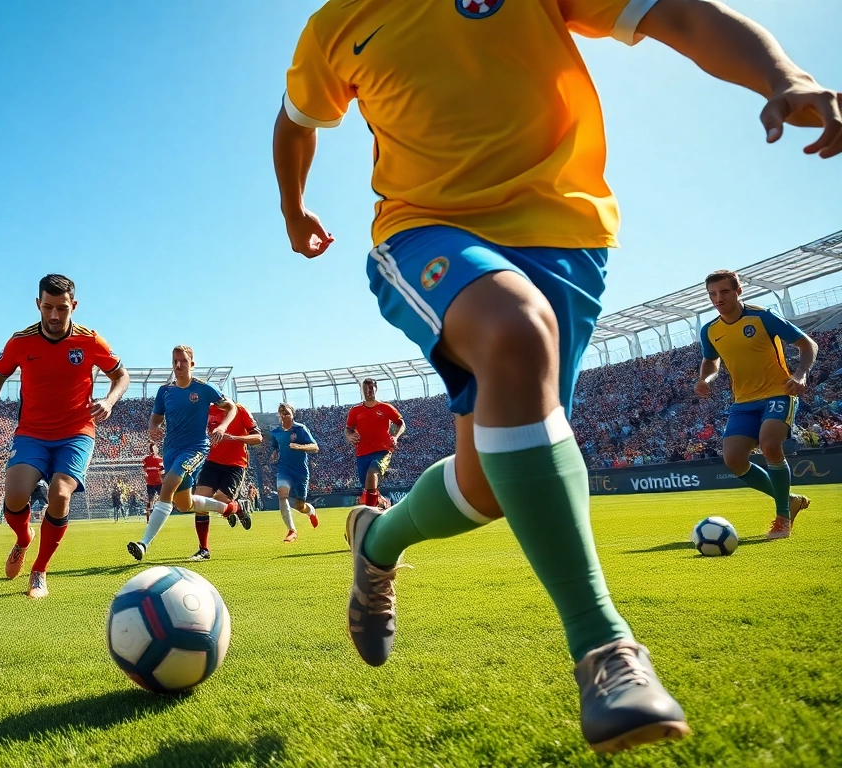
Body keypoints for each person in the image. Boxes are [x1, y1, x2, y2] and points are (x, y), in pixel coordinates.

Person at [274, 0, 838, 752]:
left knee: (485, 489)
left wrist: (781, 73)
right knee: (517, 329)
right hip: (425, 231)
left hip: (566, 244)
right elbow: (296, 120)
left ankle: (376, 541)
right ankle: (605, 649)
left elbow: (675, 14)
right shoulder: (338, 23)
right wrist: (294, 209)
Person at [0, 274, 129, 598]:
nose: (54, 315)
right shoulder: (20, 342)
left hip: (76, 432)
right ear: (38, 304)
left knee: (60, 493)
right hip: (32, 432)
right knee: (15, 496)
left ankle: (39, 569)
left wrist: (110, 401)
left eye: (62, 308)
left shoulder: (90, 341)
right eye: (48, 307)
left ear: (74, 306)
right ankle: (23, 539)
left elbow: (121, 375)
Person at [695, 270, 815, 539]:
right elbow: (711, 361)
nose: (718, 298)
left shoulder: (763, 317)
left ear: (738, 291)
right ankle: (790, 500)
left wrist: (800, 374)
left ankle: (783, 519)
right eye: (712, 294)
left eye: (724, 291)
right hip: (743, 401)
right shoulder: (710, 330)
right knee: (734, 459)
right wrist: (706, 379)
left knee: (770, 445)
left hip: (778, 393)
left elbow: (808, 345)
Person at [128, 345, 239, 562]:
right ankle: (229, 508)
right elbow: (155, 418)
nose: (178, 365)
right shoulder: (165, 391)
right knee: (183, 504)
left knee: (168, 485)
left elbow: (231, 407)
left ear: (192, 364)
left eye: (183, 361)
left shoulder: (203, 389)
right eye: (175, 362)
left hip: (195, 448)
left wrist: (222, 426)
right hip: (171, 450)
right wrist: (153, 427)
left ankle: (143, 544)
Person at [198, 400, 263, 536]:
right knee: (200, 501)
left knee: (220, 500)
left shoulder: (240, 410)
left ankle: (237, 509)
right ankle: (204, 546)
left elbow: (258, 437)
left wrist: (233, 438)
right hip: (212, 461)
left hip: (235, 464)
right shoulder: (205, 410)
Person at [346, 379, 405, 509]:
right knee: (368, 487)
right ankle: (383, 502)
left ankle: (370, 511)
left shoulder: (386, 407)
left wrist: (395, 437)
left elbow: (401, 424)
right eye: (366, 388)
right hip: (362, 453)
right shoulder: (355, 411)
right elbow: (348, 429)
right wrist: (349, 436)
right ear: (362, 390)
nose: (369, 391)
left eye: (371, 388)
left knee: (372, 473)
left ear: (376, 389)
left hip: (383, 450)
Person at [269, 403, 319, 542]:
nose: (284, 416)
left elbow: (315, 447)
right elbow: (276, 446)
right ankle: (292, 531)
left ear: (292, 414)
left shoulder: (300, 429)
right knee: (282, 494)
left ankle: (311, 511)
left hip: (300, 471)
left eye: (287, 413)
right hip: (284, 469)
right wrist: (274, 453)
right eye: (282, 413)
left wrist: (299, 447)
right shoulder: (276, 432)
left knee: (300, 506)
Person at [142, 442, 164, 521]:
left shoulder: (147, 459)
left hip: (153, 483)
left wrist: (145, 475)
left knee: (151, 500)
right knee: (159, 499)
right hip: (156, 483)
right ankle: (154, 515)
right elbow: (162, 471)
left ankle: (151, 515)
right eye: (155, 448)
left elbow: (144, 470)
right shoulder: (158, 459)